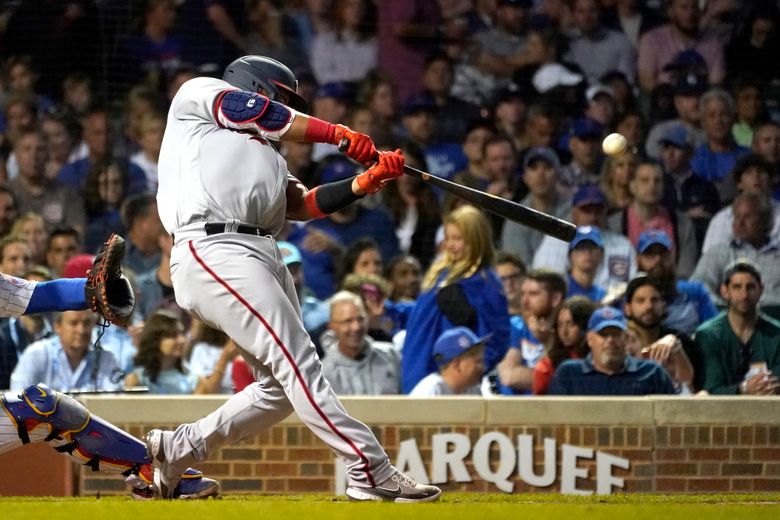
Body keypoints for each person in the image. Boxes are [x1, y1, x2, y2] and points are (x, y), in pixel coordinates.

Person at [148, 55, 441, 502]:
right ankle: (368, 468)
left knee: (279, 389)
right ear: (254, 86)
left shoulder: (264, 154)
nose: (284, 107)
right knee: (298, 361)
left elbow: (301, 205)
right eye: (281, 96)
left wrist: (366, 182)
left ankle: (178, 449)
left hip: (259, 251)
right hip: (213, 245)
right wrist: (339, 134)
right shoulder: (199, 98)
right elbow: (260, 113)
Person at [401, 205, 509, 394]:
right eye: (448, 238)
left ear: (476, 240)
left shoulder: (487, 284)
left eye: (457, 239)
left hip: (454, 381)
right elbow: (419, 319)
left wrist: (472, 371)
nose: (450, 245)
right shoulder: (438, 274)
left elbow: (497, 339)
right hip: (417, 366)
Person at [548, 306, 677, 396]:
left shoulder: (652, 372)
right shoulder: (569, 374)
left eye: (615, 334)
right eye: (603, 335)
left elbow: (671, 418)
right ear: (589, 339)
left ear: (626, 338)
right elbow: (552, 421)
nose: (610, 340)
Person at [695, 261, 780, 395]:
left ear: (761, 290)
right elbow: (711, 389)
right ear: (725, 291)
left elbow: (776, 382)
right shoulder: (708, 335)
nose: (744, 295)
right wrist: (743, 389)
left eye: (750, 287)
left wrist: (767, 387)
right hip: (719, 413)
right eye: (737, 287)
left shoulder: (776, 334)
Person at [692, 193, 780, 308]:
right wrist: (727, 312)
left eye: (747, 217)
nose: (740, 223)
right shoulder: (719, 253)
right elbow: (698, 286)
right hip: (726, 319)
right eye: (736, 217)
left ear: (767, 221)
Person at [622, 275, 698, 393]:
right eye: (640, 300)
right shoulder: (621, 342)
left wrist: (677, 350)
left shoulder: (681, 341)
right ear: (627, 308)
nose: (649, 306)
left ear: (664, 305)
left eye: (655, 300)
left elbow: (691, 386)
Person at [125, 311, 231, 394]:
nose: (181, 340)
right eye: (172, 336)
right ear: (155, 340)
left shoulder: (193, 381)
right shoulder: (136, 379)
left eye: (181, 334)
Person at [635, 229, 717, 336]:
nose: (658, 260)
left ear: (673, 256)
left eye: (663, 254)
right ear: (638, 260)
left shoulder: (695, 291)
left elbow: (715, 331)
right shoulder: (630, 297)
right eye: (650, 254)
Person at [497, 268, 566, 395]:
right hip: (512, 409)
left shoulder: (568, 330)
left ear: (555, 298)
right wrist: (549, 378)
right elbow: (508, 376)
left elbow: (567, 381)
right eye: (523, 293)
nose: (524, 301)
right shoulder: (516, 325)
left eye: (533, 294)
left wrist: (546, 341)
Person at [320, 291, 400, 395]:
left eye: (360, 319)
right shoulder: (323, 373)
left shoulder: (392, 355)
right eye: (347, 321)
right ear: (331, 326)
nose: (356, 327)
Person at [533, 296, 596, 395]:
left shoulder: (600, 361)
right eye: (560, 324)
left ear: (586, 325)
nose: (564, 332)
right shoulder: (547, 366)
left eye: (571, 324)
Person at [409, 326, 487, 396]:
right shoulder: (431, 390)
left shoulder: (473, 390)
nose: (483, 367)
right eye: (478, 362)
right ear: (456, 364)